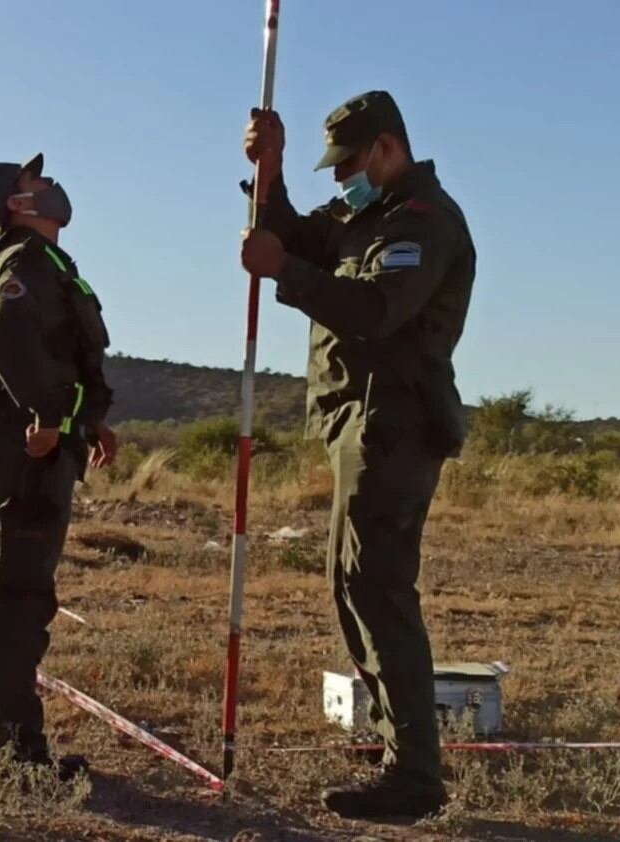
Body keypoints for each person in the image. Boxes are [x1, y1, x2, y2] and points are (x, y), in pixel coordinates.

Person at [240, 91, 477, 820]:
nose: (341, 178)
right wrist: (270, 172)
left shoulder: (421, 222)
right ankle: (396, 744)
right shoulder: (361, 218)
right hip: (360, 424)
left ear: (385, 148)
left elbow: (376, 311)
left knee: (378, 589)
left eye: (349, 163)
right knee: (352, 585)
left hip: (396, 425)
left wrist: (286, 272)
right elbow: (290, 236)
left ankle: (415, 776)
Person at [0, 153, 118, 777]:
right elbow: (13, 345)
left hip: (1, 435)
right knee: (16, 599)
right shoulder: (23, 264)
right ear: (18, 205)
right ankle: (15, 754)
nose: (48, 184)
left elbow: (54, 352)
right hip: (12, 444)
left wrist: (85, 420)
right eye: (33, 180)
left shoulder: (39, 262)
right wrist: (49, 420)